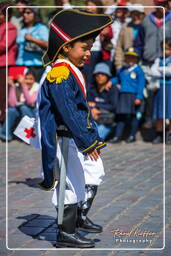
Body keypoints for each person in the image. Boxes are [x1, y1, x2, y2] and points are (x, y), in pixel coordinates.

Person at [38, 9, 112, 248]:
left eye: (91, 48)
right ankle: (65, 233)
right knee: (69, 184)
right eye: (84, 48)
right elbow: (68, 112)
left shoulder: (69, 69)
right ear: (67, 46)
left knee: (82, 179)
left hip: (73, 137)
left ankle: (73, 224)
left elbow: (78, 110)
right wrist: (87, 141)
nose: (88, 54)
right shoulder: (59, 73)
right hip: (64, 137)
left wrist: (90, 137)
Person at [134, 0, 171, 128]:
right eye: (162, 3)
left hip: (167, 63)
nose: (164, 6)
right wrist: (138, 57)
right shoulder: (146, 21)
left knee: (166, 94)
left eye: (166, 3)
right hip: (148, 62)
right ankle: (150, 120)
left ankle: (166, 126)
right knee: (149, 93)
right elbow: (138, 42)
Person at [110, 48, 146, 143]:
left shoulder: (139, 70)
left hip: (133, 96)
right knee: (121, 116)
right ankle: (117, 136)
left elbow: (141, 84)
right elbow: (118, 79)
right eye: (128, 57)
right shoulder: (122, 69)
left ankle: (132, 135)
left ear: (136, 59)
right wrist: (110, 81)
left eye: (133, 58)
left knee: (134, 116)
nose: (130, 60)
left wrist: (139, 96)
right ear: (125, 58)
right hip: (123, 96)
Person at [0, 70, 38, 141]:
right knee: (11, 110)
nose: (28, 81)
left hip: (32, 114)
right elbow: (12, 104)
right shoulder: (17, 86)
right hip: (20, 112)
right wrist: (12, 86)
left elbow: (30, 102)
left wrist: (24, 86)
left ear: (34, 80)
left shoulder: (37, 87)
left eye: (31, 79)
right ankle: (5, 135)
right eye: (26, 79)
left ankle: (31, 135)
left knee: (23, 107)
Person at [16, 6, 48, 81]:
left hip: (36, 66)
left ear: (35, 14)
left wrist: (32, 39)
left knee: (35, 91)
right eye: (24, 13)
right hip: (21, 65)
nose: (25, 15)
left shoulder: (41, 28)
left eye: (28, 13)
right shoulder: (22, 30)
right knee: (20, 91)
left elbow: (47, 45)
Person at [87, 62, 118, 141]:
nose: (100, 77)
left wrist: (97, 107)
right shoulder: (92, 89)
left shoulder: (113, 89)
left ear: (107, 76)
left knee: (95, 140)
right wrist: (92, 109)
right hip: (93, 120)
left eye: (103, 74)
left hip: (107, 122)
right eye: (97, 74)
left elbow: (114, 106)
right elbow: (88, 103)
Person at [0, 2, 17, 126]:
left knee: (3, 94)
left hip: (5, 65)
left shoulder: (10, 27)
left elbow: (4, 45)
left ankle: (3, 122)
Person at [151, 38, 171, 144]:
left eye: (167, 49)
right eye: (163, 49)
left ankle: (170, 134)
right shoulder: (159, 59)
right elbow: (153, 71)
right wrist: (164, 70)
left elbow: (169, 72)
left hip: (169, 88)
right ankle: (159, 133)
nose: (165, 52)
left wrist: (161, 70)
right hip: (160, 89)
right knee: (160, 112)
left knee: (170, 112)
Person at [114, 5, 144, 71]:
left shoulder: (146, 26)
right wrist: (119, 64)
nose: (135, 16)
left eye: (138, 13)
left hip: (143, 63)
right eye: (133, 13)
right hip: (127, 62)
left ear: (142, 14)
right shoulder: (125, 27)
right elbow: (119, 46)